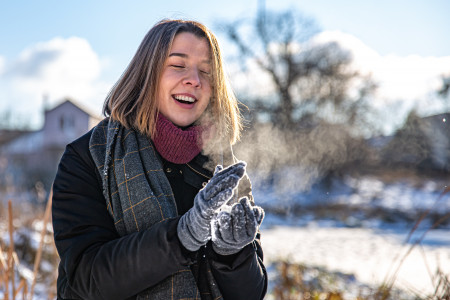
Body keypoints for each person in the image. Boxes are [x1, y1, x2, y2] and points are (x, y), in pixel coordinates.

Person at [52, 19, 267, 300]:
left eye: (206, 71)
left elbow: (252, 294)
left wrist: (234, 255)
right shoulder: (88, 157)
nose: (195, 79)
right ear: (147, 73)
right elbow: (86, 278)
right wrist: (183, 236)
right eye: (178, 65)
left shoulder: (226, 171)